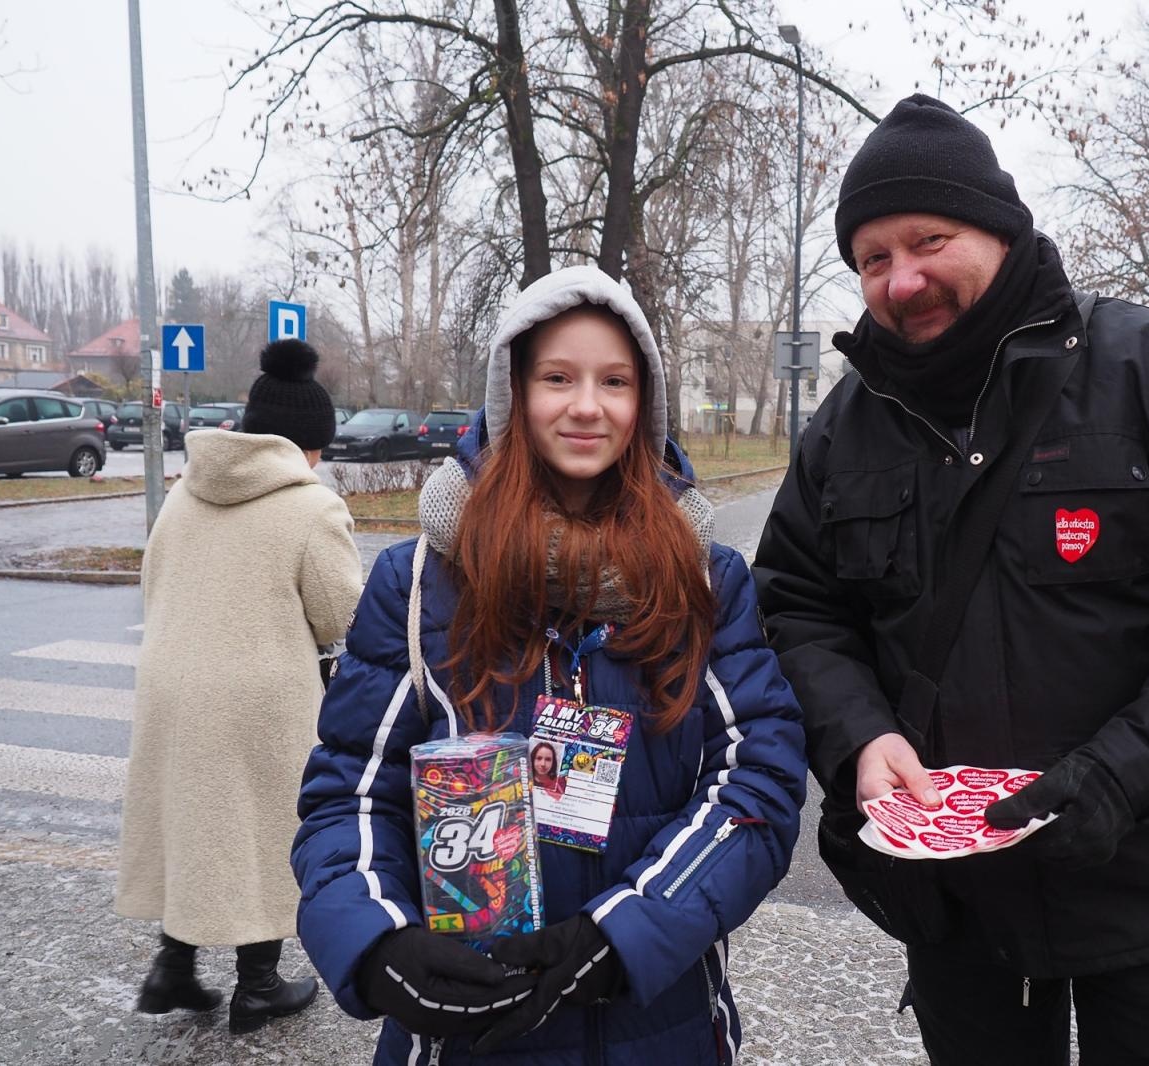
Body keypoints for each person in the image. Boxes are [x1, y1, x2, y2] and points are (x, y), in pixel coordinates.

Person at [752, 94, 1149, 1066]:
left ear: (999, 231)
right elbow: (797, 605)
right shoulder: (845, 426)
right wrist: (860, 736)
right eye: (872, 258)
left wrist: (1124, 773)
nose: (901, 279)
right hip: (956, 902)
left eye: (929, 240)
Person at [291, 265, 806, 1065]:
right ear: (513, 395)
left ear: (644, 404)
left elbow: (758, 781)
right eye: (558, 378)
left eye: (615, 382)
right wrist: (376, 943)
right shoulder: (420, 581)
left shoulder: (702, 580)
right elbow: (349, 795)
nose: (587, 406)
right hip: (469, 1035)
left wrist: (623, 935)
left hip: (660, 1027)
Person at [116, 338, 364, 1034]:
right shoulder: (311, 508)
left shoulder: (183, 493)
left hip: (171, 682)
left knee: (192, 817)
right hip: (258, 697)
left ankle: (173, 967)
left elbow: (152, 582)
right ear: (307, 444)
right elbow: (342, 616)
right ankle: (257, 987)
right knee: (264, 829)